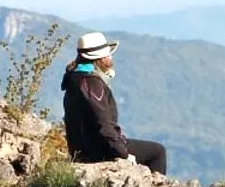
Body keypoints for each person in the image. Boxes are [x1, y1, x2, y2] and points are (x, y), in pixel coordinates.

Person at [60, 32, 167, 175]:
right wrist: (123, 154)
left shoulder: (74, 78)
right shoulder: (91, 83)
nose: (111, 57)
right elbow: (103, 125)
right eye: (108, 54)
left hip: (81, 149)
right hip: (99, 151)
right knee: (157, 152)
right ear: (100, 58)